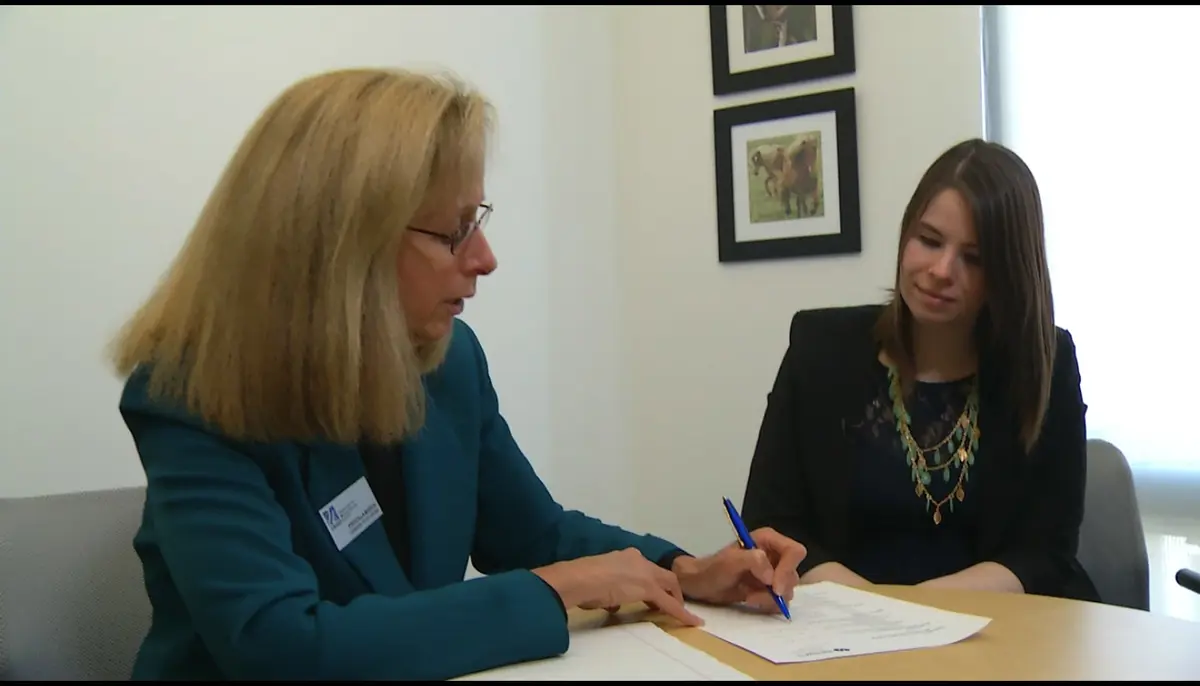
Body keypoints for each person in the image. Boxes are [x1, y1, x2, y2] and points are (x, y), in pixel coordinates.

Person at [109, 67, 808, 681]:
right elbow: (282, 647)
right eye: (454, 232)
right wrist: (554, 588)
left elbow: (533, 535)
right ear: (339, 248)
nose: (485, 259)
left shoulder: (448, 361)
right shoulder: (191, 399)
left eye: (478, 221)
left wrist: (685, 571)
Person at [739, 139, 1100, 602]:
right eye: (929, 240)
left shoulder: (1046, 361)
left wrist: (918, 611)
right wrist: (879, 612)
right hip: (844, 621)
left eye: (974, 258)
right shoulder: (820, 347)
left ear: (1008, 272)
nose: (941, 270)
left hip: (999, 625)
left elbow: (1045, 552)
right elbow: (773, 523)